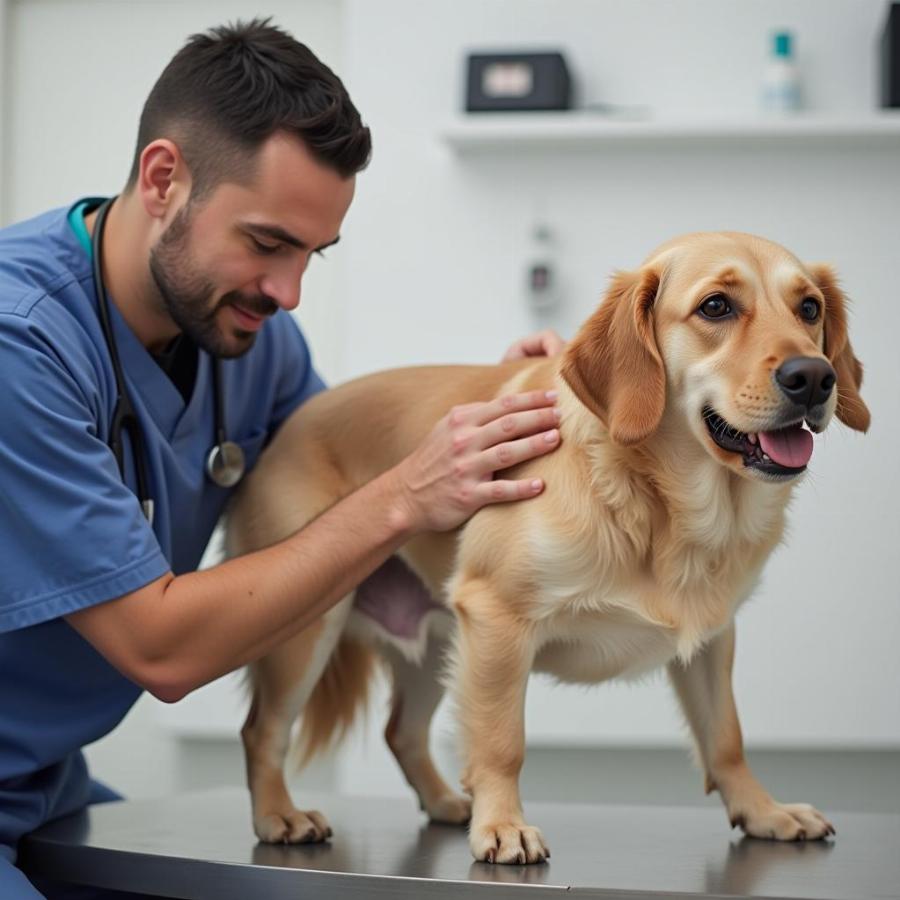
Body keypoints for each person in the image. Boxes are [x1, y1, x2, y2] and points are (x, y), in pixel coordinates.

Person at [0, 19, 565, 899]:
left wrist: (493, 403)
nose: (289, 292)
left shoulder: (251, 341)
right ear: (163, 180)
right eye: (267, 243)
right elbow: (163, 651)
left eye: (312, 254)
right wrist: (403, 498)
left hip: (43, 787)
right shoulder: (20, 346)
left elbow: (344, 480)